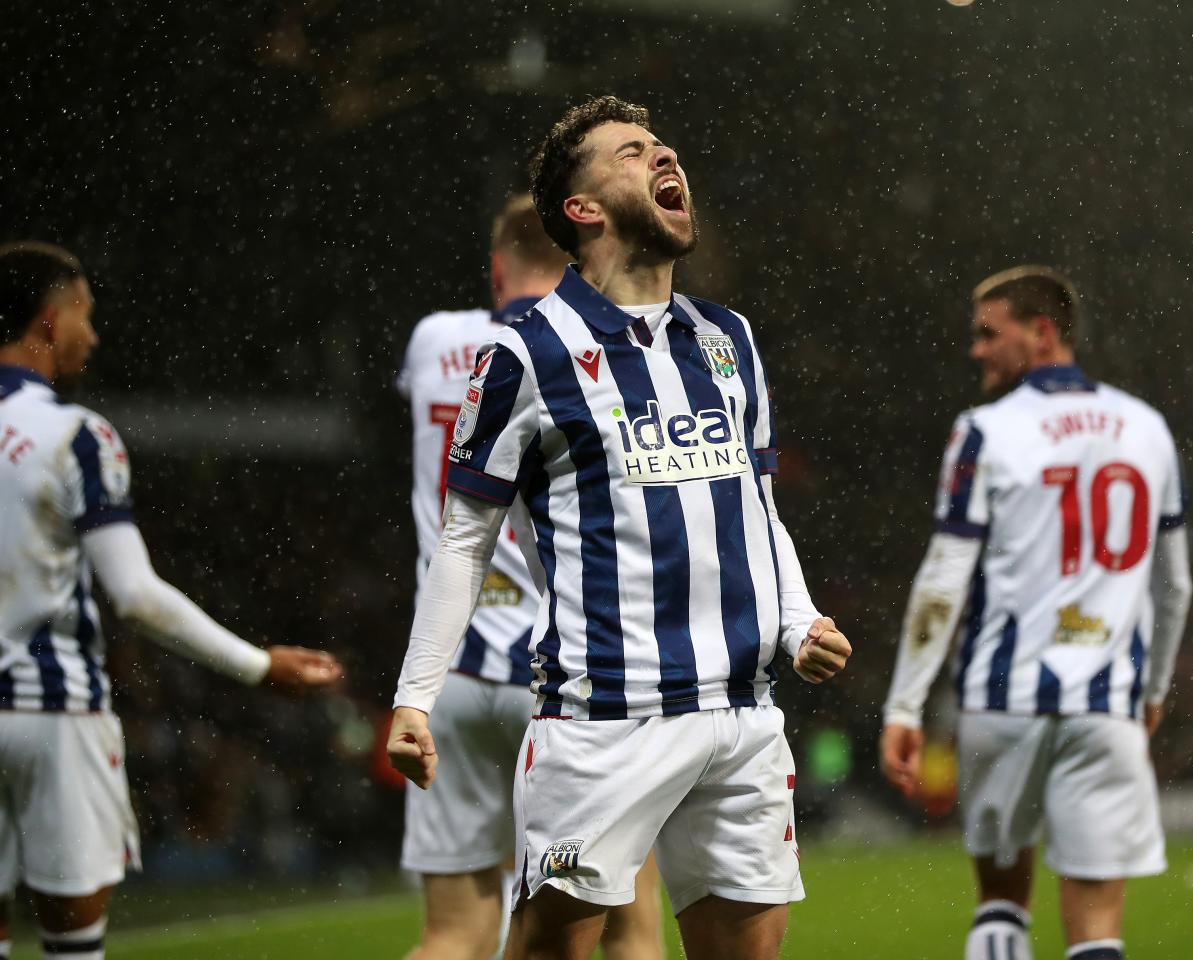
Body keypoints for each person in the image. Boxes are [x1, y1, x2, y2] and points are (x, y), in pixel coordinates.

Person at [387, 95, 851, 960]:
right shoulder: (522, 353)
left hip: (742, 713)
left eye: (663, 144)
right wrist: (416, 696)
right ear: (583, 208)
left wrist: (797, 622)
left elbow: (759, 508)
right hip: (605, 722)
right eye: (633, 151)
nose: (664, 154)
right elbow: (465, 541)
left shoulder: (728, 338)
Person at [0, 242, 344, 960]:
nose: (91, 336)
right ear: (49, 320)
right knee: (73, 943)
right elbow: (135, 595)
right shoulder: (76, 437)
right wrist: (257, 664)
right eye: (84, 316)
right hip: (51, 713)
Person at [879, 266, 1193, 960]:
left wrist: (905, 705)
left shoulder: (985, 431)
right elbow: (1174, 587)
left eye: (991, 334)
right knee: (1098, 927)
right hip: (1107, 703)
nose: (977, 351)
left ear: (1042, 332)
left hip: (1003, 701)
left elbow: (943, 579)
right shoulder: (1147, 429)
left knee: (999, 904)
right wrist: (1155, 690)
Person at [396, 194, 664, 960]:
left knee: (454, 934)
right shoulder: (592, 358)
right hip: (564, 678)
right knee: (627, 929)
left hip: (445, 674)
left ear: (495, 266)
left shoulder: (434, 340)